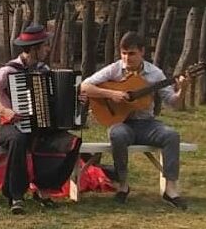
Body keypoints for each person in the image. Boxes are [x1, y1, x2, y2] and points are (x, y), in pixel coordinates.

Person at [0, 23, 79, 214]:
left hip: (40, 127)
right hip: (10, 127)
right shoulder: (8, 71)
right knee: (18, 138)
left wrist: (78, 97)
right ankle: (15, 195)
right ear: (35, 48)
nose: (47, 49)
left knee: (71, 142)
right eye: (45, 45)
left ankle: (44, 189)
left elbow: (58, 99)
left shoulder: (44, 69)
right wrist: (3, 110)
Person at [80, 31, 190, 209]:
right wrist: (112, 94)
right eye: (123, 53)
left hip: (147, 124)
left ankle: (170, 190)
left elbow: (173, 103)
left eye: (131, 53)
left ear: (142, 52)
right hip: (122, 123)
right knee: (118, 135)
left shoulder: (155, 74)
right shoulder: (114, 69)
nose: (126, 58)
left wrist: (183, 89)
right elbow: (85, 86)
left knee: (171, 135)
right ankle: (123, 185)